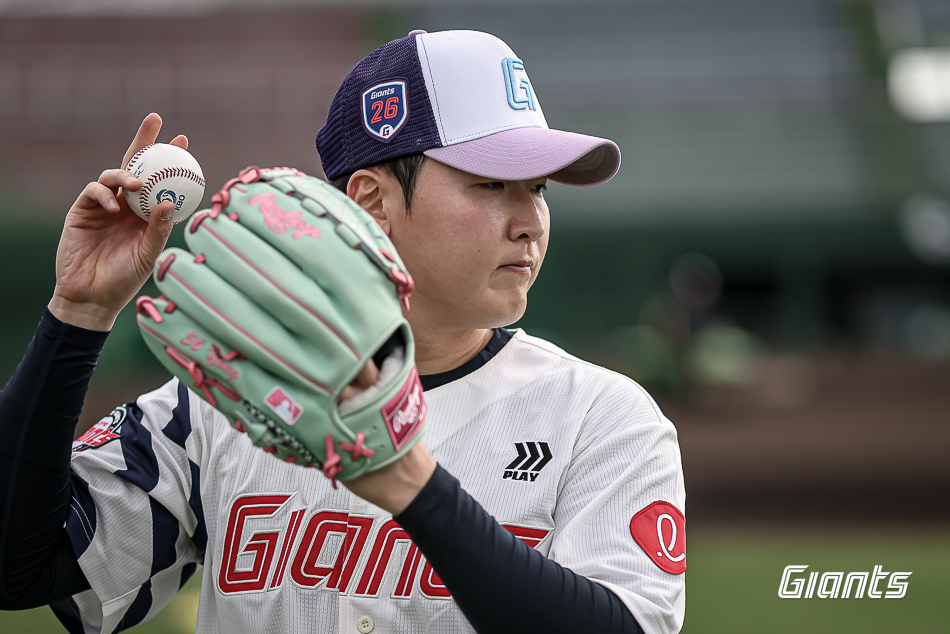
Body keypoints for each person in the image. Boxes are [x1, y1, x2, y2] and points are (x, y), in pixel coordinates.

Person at [0, 29, 686, 633]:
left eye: (538, 187)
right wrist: (77, 314)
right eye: (490, 184)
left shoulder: (603, 419)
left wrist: (414, 486)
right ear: (372, 201)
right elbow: (17, 566)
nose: (529, 221)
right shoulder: (225, 398)